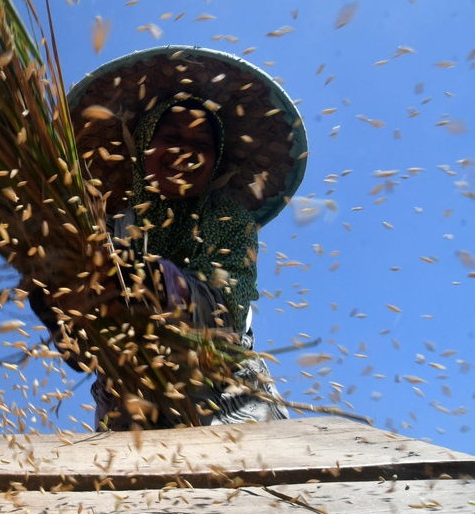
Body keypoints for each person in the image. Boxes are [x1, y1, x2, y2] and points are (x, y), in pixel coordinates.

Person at [31, 45, 308, 430]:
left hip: (225, 397)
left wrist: (153, 283)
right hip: (130, 405)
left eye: (202, 145)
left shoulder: (227, 219)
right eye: (172, 135)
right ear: (144, 143)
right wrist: (70, 313)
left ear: (216, 160)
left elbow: (224, 311)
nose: (185, 151)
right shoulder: (112, 226)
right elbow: (85, 341)